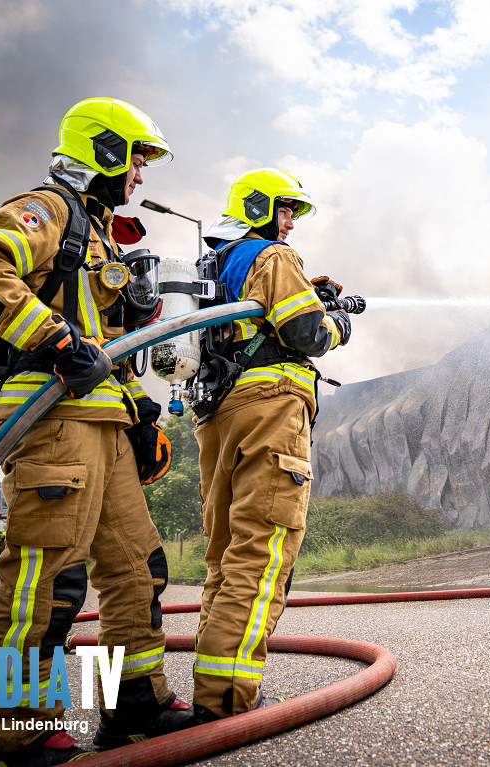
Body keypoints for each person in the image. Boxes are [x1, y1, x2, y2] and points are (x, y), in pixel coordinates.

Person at [0, 98, 189, 766]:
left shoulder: (98, 231)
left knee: (136, 567)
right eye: (137, 157)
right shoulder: (49, 207)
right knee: (49, 581)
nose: (141, 174)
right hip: (51, 422)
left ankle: (135, 704)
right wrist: (52, 339)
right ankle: (22, 733)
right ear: (106, 150)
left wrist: (139, 413)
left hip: (101, 422)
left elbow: (103, 347)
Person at [190, 168, 351, 721]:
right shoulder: (275, 257)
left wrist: (314, 298)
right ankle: (228, 704)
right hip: (269, 406)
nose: (289, 223)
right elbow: (305, 333)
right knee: (262, 553)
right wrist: (336, 326)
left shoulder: (218, 260)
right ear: (258, 206)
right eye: (284, 209)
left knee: (225, 556)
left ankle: (214, 693)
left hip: (218, 415)